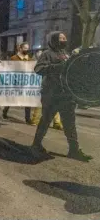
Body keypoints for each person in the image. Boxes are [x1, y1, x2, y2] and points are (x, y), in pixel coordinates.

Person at [31, 31, 92, 162]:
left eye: (65, 38)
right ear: (54, 40)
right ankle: (36, 145)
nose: (64, 40)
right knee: (45, 121)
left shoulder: (66, 54)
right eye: (61, 38)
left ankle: (74, 150)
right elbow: (39, 69)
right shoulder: (47, 54)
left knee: (70, 124)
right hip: (52, 94)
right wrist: (58, 67)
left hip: (66, 95)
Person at [31, 49, 63, 130]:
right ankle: (35, 120)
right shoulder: (41, 63)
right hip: (45, 84)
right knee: (41, 103)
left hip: (54, 84)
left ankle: (57, 122)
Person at [2, 42, 33, 124]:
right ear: (20, 48)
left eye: (27, 48)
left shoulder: (30, 59)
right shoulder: (14, 58)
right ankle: (5, 111)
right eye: (25, 48)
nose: (26, 50)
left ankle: (28, 119)